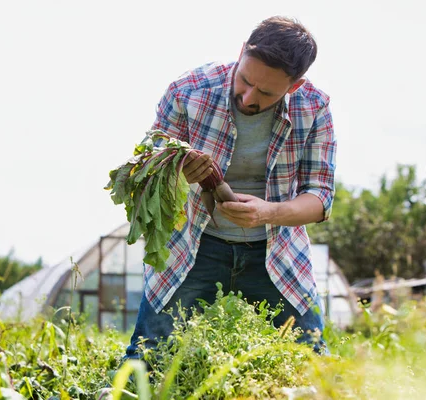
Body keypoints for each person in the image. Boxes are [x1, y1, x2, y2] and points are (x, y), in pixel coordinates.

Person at [126, 15, 337, 360]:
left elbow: (320, 197)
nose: (249, 97)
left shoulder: (314, 108)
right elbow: (148, 166)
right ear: (241, 53)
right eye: (245, 79)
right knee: (148, 357)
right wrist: (178, 171)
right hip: (194, 245)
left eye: (266, 92)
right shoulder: (189, 90)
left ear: (294, 86)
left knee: (313, 360)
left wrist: (267, 212)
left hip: (275, 250)